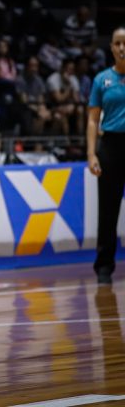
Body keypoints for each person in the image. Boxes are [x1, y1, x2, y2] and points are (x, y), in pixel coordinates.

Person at [86, 27, 125, 285]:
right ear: (111, 47)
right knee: (108, 209)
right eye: (118, 43)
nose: (122, 48)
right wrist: (91, 154)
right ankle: (104, 267)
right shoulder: (102, 80)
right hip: (110, 146)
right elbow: (92, 120)